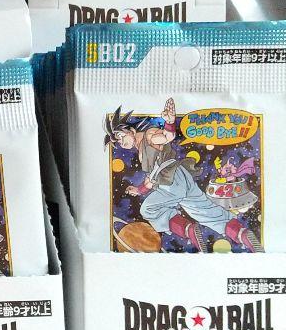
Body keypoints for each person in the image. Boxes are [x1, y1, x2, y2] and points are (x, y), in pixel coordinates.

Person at [105, 99, 258, 251]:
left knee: (149, 209)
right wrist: (139, 190)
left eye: (121, 136)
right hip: (181, 177)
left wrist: (170, 123)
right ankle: (241, 234)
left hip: (171, 181)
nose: (121, 142)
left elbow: (167, 137)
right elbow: (152, 180)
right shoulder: (141, 148)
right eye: (117, 142)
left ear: (131, 130)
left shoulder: (149, 136)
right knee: (205, 211)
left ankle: (188, 230)